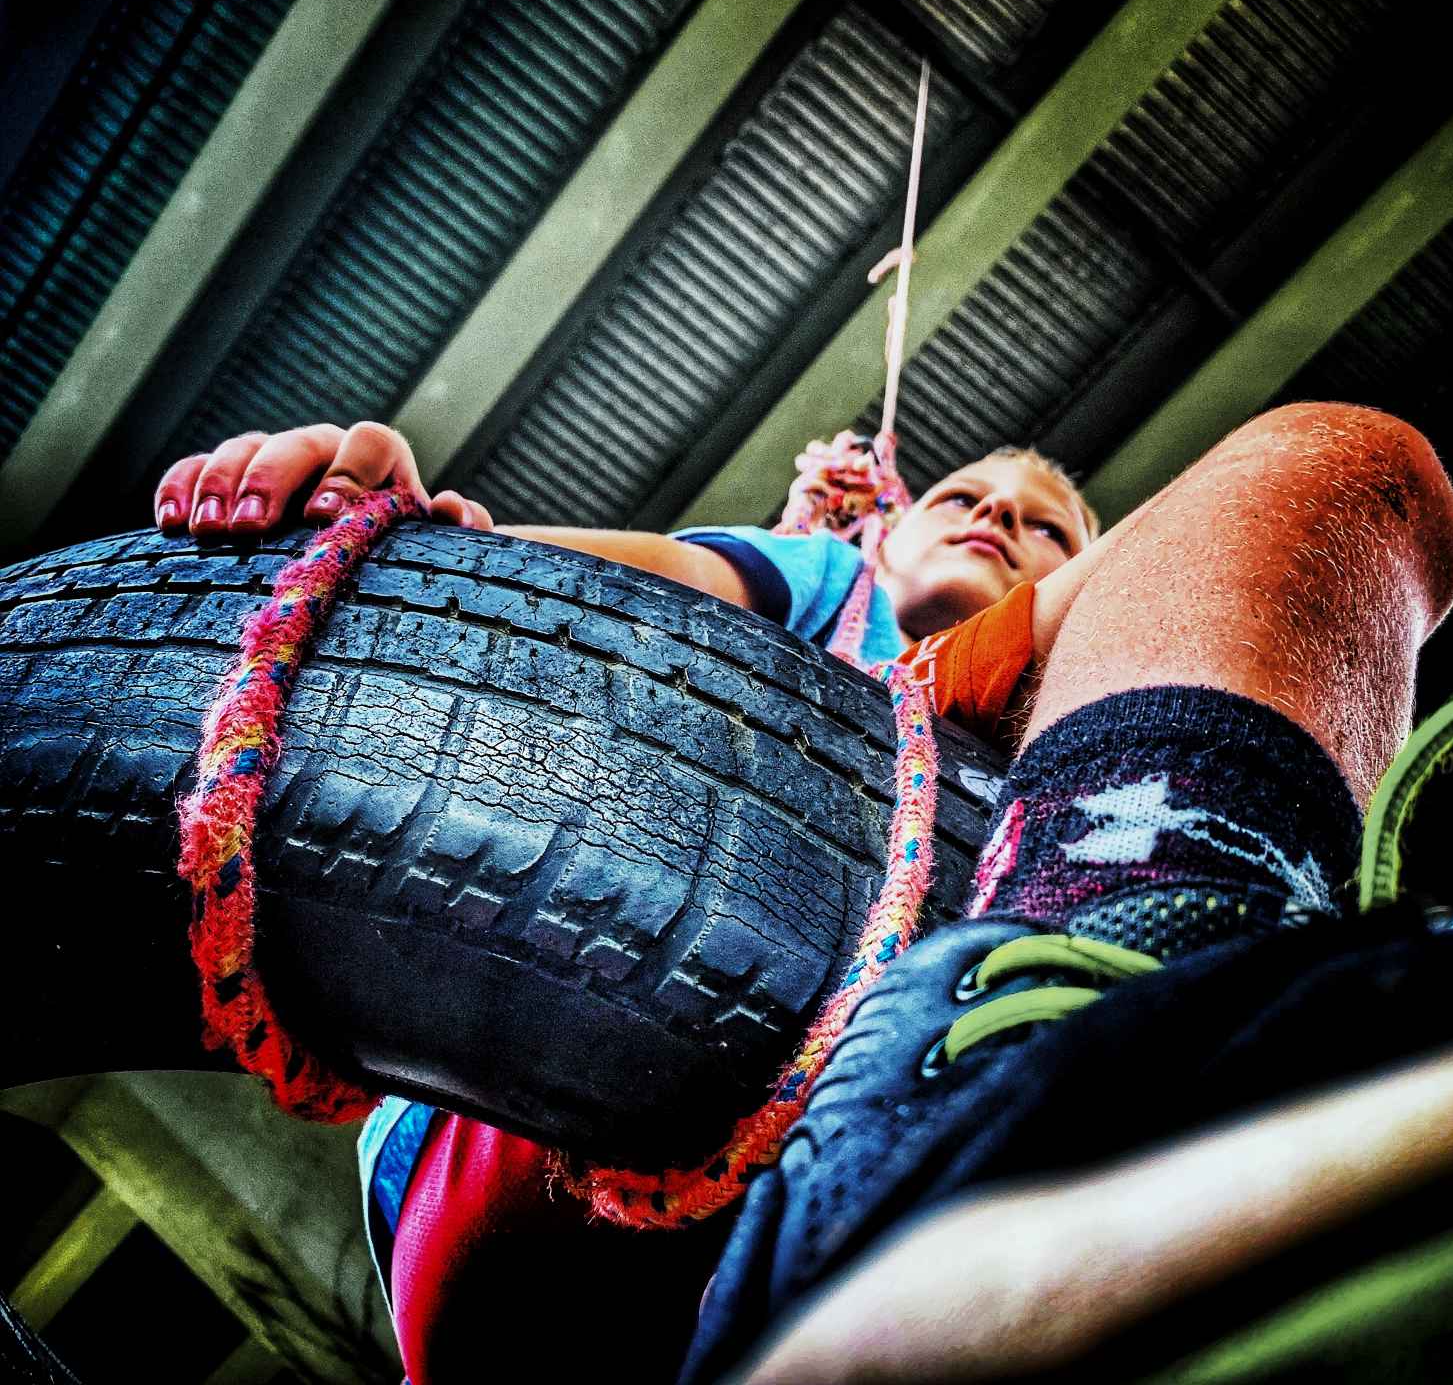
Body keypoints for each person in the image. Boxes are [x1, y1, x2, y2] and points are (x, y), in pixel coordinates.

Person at [153, 416, 1102, 1383]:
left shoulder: (1073, 752)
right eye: (962, 496)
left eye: (1046, 527)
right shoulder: (830, 581)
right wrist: (388, 534)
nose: (996, 515)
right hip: (543, 1106)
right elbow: (619, 591)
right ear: (885, 537)